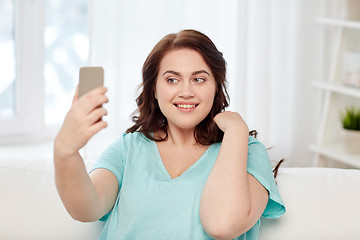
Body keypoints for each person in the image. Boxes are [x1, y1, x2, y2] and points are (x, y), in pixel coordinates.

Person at [54, 29, 285, 240]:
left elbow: (221, 225)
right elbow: (86, 209)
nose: (186, 92)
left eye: (199, 79)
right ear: (154, 88)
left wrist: (236, 131)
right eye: (172, 79)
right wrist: (66, 153)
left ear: (216, 88)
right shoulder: (128, 149)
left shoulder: (247, 150)